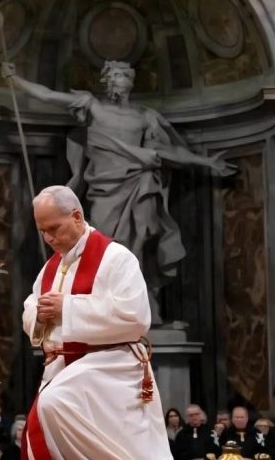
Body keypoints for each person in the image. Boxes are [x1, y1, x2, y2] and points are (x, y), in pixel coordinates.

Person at [4, 61, 234, 322]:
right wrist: (15, 79)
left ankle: (139, 305)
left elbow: (165, 153)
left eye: (121, 76)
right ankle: (102, 306)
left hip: (139, 186)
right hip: (103, 189)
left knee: (138, 246)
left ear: (130, 81)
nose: (115, 81)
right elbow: (48, 96)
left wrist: (207, 162)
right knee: (104, 248)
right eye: (111, 76)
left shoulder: (145, 117)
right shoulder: (93, 106)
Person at [21, 185, 173, 459]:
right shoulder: (52, 267)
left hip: (109, 365)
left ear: (77, 216)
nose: (49, 238)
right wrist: (39, 314)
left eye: (54, 228)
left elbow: (136, 317)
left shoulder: (116, 258)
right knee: (41, 424)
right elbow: (31, 304)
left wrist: (66, 308)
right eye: (42, 231)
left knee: (54, 403)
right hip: (63, 369)